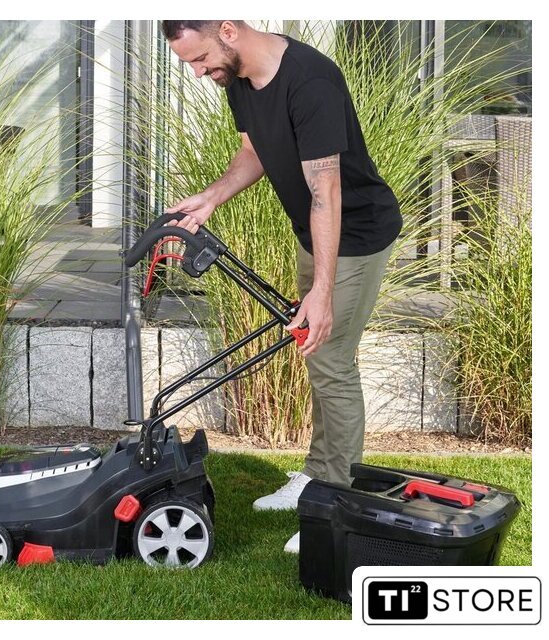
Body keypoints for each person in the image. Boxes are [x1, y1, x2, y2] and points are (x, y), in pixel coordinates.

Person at [161, 20, 403, 553]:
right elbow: (255, 152)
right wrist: (210, 198)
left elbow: (326, 192)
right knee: (314, 351)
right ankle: (317, 475)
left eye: (200, 59)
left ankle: (333, 506)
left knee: (332, 360)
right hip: (315, 233)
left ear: (227, 30)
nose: (199, 73)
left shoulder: (310, 82)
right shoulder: (239, 79)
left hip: (356, 233)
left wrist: (322, 291)